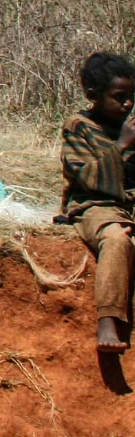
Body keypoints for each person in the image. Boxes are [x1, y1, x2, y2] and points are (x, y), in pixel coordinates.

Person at [60, 51, 135, 357]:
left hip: (129, 203)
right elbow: (87, 176)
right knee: (117, 239)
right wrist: (122, 146)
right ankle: (108, 320)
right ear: (94, 96)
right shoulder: (79, 127)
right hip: (93, 205)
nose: (128, 104)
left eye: (132, 97)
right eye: (120, 97)